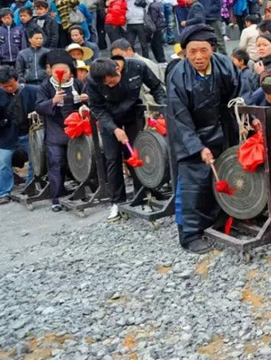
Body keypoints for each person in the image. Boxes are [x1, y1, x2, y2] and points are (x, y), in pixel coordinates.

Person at [167, 25, 240, 253]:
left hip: (221, 130)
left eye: (203, 50)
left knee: (222, 178)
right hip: (191, 135)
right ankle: (189, 234)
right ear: (185, 52)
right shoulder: (178, 75)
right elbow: (178, 117)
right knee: (192, 185)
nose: (198, 57)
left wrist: (241, 117)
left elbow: (238, 93)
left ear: (212, 49)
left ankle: (218, 222)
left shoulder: (224, 64)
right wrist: (197, 147)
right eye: (192, 52)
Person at [87, 57, 166, 221]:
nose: (110, 85)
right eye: (106, 85)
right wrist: (114, 129)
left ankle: (142, 195)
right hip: (108, 118)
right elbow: (96, 108)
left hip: (132, 114)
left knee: (136, 155)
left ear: (117, 69)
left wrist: (165, 109)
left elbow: (156, 87)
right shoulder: (93, 81)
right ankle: (117, 201)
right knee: (112, 159)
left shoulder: (137, 67)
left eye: (112, 81)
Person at [35, 49, 89, 211]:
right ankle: (56, 198)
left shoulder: (77, 84)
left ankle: (84, 189)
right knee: (56, 162)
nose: (61, 74)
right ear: (50, 70)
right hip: (55, 132)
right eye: (57, 70)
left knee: (81, 159)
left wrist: (85, 100)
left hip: (76, 130)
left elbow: (88, 102)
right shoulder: (45, 86)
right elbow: (38, 107)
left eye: (65, 70)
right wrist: (52, 101)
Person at [0, 66, 38, 203]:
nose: (9, 88)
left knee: (36, 159)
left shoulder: (32, 91)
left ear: (17, 79)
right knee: (3, 162)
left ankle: (30, 186)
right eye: (5, 86)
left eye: (11, 85)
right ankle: (3, 192)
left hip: (28, 132)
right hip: (6, 135)